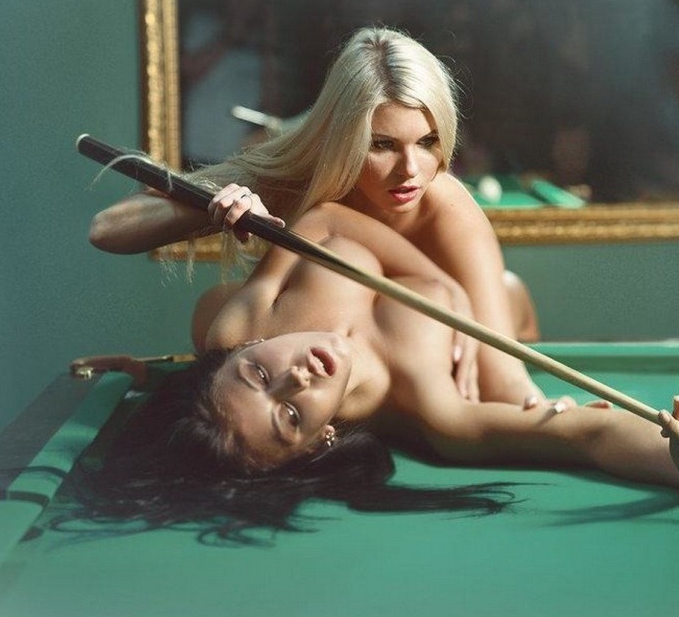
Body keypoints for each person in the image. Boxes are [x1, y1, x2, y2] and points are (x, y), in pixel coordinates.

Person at [71, 202, 679, 542]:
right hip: (491, 305)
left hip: (432, 250)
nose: (296, 378)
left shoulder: (238, 329)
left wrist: (452, 290)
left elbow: (324, 217)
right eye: (292, 416)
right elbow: (580, 435)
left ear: (242, 354)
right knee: (510, 306)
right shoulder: (437, 409)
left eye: (258, 376)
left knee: (209, 315)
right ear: (322, 440)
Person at [88, 26, 542, 407]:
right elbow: (106, 231)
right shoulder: (294, 182)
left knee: (506, 291)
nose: (411, 170)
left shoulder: (447, 206)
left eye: (427, 142)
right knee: (215, 307)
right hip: (362, 357)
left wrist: (546, 412)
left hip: (450, 335)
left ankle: (513, 302)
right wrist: (217, 205)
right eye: (382, 144)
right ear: (342, 138)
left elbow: (506, 381)